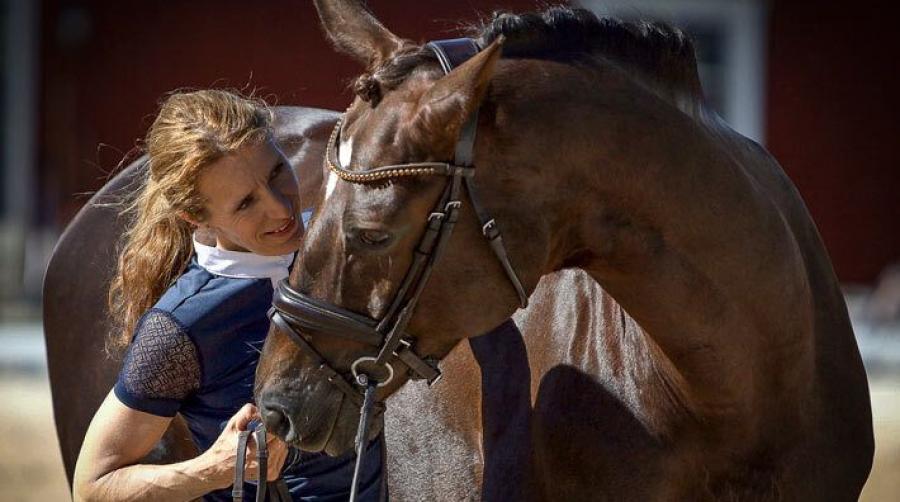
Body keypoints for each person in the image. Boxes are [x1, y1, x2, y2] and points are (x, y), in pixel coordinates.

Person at [73, 89, 384, 501]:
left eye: (276, 172)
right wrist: (211, 470)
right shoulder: (180, 327)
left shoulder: (341, 251)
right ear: (196, 216)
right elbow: (92, 487)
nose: (279, 208)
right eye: (245, 203)